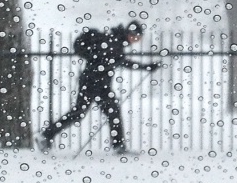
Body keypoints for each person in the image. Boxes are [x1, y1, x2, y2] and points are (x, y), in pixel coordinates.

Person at [36, 20, 159, 154]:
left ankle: (46, 135)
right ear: (131, 34)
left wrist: (145, 67)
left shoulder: (115, 40)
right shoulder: (115, 41)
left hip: (96, 81)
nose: (137, 40)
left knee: (102, 112)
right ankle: (46, 135)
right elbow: (119, 61)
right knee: (84, 112)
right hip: (94, 81)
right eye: (137, 37)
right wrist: (145, 67)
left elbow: (116, 60)